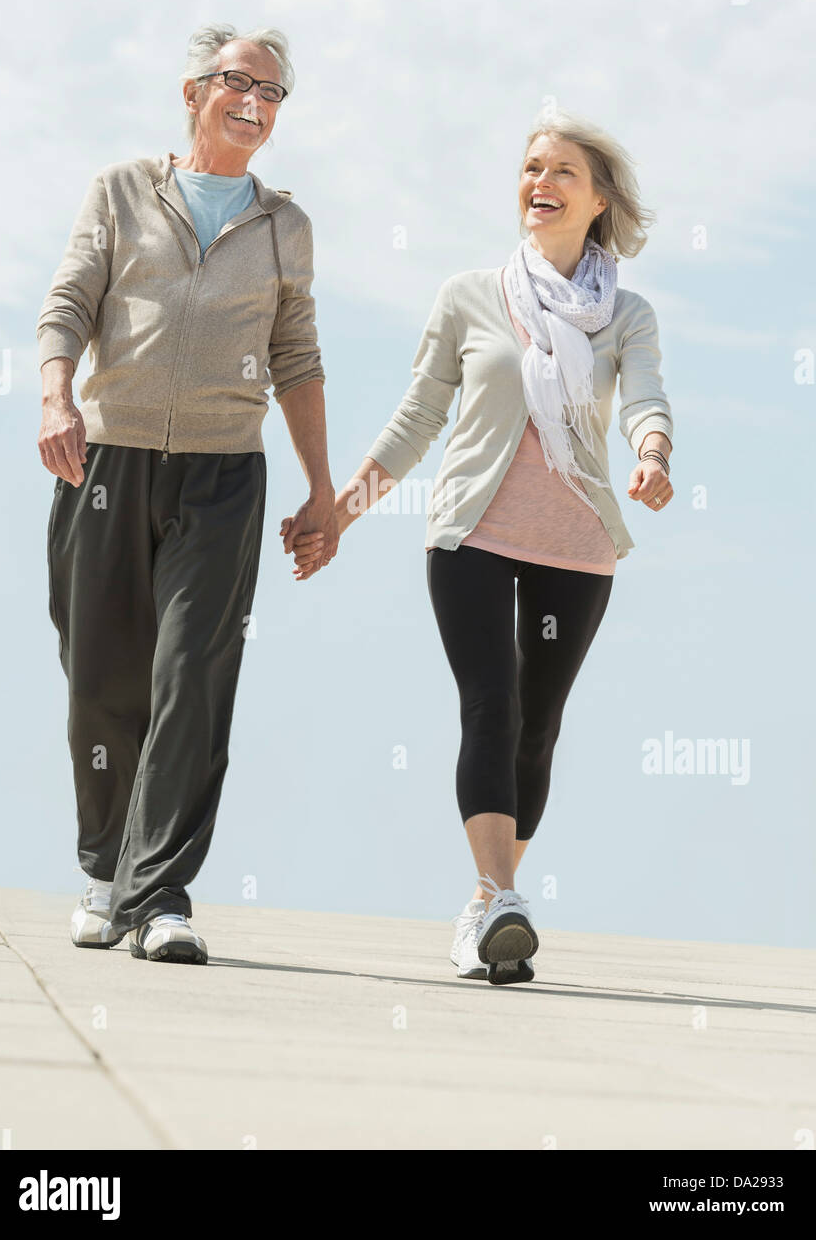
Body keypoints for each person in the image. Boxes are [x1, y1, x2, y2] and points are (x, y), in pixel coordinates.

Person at [286, 109, 673, 986]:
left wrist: (651, 454)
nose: (539, 182)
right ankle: (497, 899)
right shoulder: (469, 295)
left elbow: (647, 396)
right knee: (489, 704)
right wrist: (340, 512)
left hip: (575, 542)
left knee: (537, 728)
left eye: (562, 171)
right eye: (530, 167)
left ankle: (487, 904)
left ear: (599, 197)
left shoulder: (627, 316)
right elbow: (419, 417)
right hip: (471, 532)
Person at [38, 24, 338, 965]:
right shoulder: (122, 190)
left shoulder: (285, 225)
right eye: (238, 82)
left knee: (190, 681)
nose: (256, 102)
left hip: (222, 476)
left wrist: (321, 490)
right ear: (192, 91)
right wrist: (55, 393)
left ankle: (160, 893)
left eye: (274, 92)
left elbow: (296, 359)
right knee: (102, 676)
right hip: (107, 463)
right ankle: (103, 871)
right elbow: (71, 300)